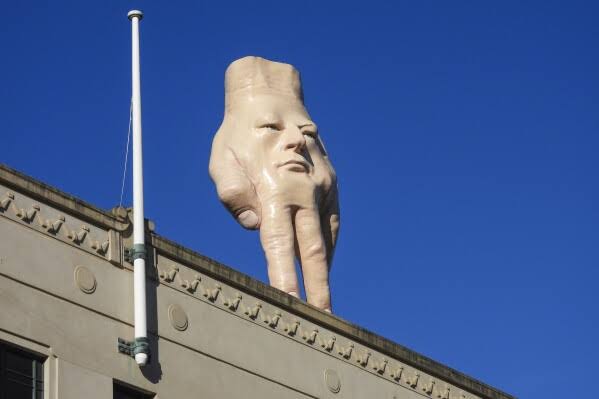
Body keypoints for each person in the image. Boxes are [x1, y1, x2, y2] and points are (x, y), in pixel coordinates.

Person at [209, 56, 340, 312]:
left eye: (308, 132)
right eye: (271, 126)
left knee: (314, 255)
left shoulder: (311, 156)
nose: (298, 141)